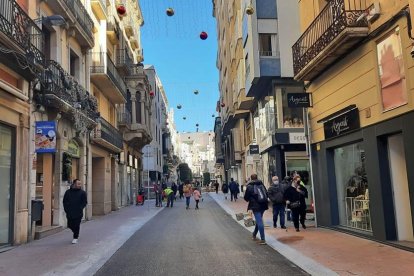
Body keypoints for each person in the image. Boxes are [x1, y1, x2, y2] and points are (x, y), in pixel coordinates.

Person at [244, 174, 268, 245]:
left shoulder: (249, 186)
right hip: (263, 205)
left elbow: (246, 198)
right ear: (257, 178)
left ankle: (263, 239)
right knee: (259, 220)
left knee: (259, 221)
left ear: (251, 179)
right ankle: (254, 234)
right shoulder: (261, 184)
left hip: (255, 206)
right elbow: (266, 193)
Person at [63, 179, 87, 244]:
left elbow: (84, 202)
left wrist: (80, 208)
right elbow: (64, 201)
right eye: (78, 184)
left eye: (80, 184)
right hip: (69, 212)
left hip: (78, 212)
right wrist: (66, 209)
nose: (80, 185)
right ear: (74, 184)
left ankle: (75, 237)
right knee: (70, 225)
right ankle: (75, 232)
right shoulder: (68, 192)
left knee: (76, 225)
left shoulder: (82, 193)